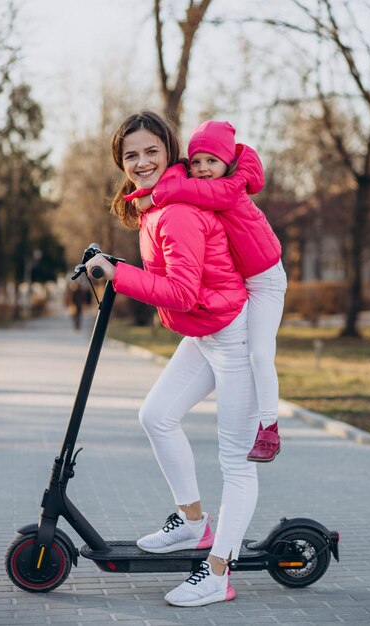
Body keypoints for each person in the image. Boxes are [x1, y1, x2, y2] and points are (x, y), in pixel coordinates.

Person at [85, 111, 260, 608]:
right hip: (207, 332)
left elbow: (181, 292)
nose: (141, 162)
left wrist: (118, 274)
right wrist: (120, 268)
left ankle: (218, 572)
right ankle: (193, 523)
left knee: (236, 463)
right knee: (157, 415)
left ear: (170, 150)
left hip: (231, 338)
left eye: (151, 152)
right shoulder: (156, 204)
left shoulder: (176, 208)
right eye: (131, 155)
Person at [129, 120, 287, 463]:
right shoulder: (208, 183)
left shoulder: (232, 186)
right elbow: (183, 186)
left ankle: (270, 428)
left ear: (227, 162)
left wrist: (155, 195)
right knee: (159, 416)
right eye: (196, 161)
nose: (202, 169)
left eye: (211, 161)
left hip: (267, 281)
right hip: (245, 282)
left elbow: (193, 192)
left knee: (260, 354)